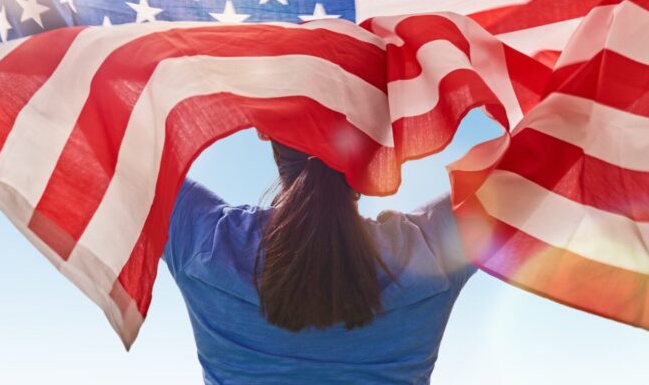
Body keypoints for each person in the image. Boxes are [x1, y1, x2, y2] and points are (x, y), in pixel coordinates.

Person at [162, 133, 477, 384]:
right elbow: (525, 155)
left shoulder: (205, 244)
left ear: (264, 131)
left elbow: (118, 142)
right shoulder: (433, 254)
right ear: (377, 137)